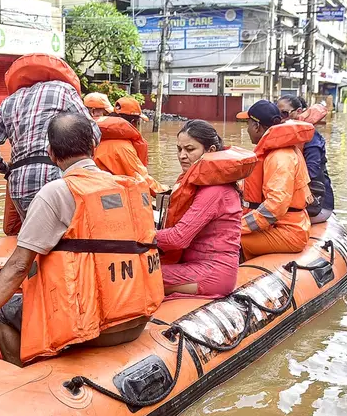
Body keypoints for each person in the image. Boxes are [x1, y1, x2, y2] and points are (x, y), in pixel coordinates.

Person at [0, 112, 163, 367]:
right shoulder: (127, 187)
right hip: (138, 318)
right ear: (94, 146)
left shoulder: (56, 192)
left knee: (6, 311)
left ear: (50, 152)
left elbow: (19, 265)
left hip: (97, 329)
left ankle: (25, 379)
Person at [0, 54, 100, 236]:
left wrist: (4, 169)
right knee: (65, 240)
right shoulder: (64, 90)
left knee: (34, 240)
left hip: (19, 184)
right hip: (56, 176)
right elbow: (93, 133)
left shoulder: (10, 101)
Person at [156, 120, 251, 297]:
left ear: (211, 151)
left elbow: (178, 239)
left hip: (211, 274)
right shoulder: (201, 184)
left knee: (138, 275)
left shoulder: (214, 191)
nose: (182, 156)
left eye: (190, 150)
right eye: (179, 149)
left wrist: (138, 235)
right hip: (199, 267)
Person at [237, 100, 315, 261]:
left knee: (227, 241)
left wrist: (238, 227)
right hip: (284, 226)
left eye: (248, 124)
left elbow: (275, 207)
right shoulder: (281, 151)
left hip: (288, 232)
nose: (247, 129)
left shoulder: (279, 157)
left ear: (257, 126)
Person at [277, 95, 335, 223]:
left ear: (298, 112)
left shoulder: (311, 137)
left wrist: (282, 184)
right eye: (278, 114)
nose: (280, 118)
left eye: (284, 113)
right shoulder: (283, 136)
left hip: (318, 205)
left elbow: (312, 172)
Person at [94, 114, 166, 194]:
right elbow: (141, 178)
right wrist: (164, 190)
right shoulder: (123, 148)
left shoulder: (95, 142)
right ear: (133, 122)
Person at [111, 97, 150, 166]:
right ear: (133, 122)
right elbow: (139, 174)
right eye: (139, 123)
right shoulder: (129, 148)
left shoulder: (96, 138)